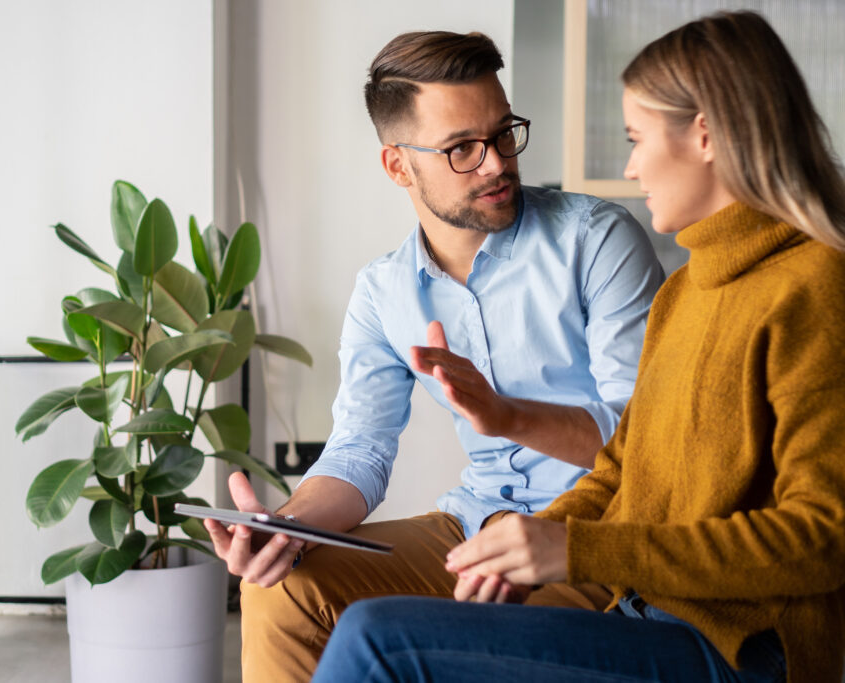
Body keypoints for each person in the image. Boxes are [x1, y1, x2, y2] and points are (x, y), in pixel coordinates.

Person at [311, 10, 845, 683]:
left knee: (380, 641)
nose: (628, 164)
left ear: (704, 135)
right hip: (646, 616)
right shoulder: (686, 292)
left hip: (743, 651)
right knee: (341, 611)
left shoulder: (815, 286)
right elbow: (624, 468)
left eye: (636, 137)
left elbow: (824, 538)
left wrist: (573, 547)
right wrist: (526, 547)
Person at [203, 30, 664, 682]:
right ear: (397, 165)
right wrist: (286, 526)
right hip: (471, 524)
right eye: (462, 149)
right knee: (281, 585)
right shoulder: (384, 290)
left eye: (503, 133)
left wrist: (507, 414)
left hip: (588, 536)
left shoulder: (595, 241)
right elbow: (359, 450)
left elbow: (648, 441)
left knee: (443, 639)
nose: (497, 163)